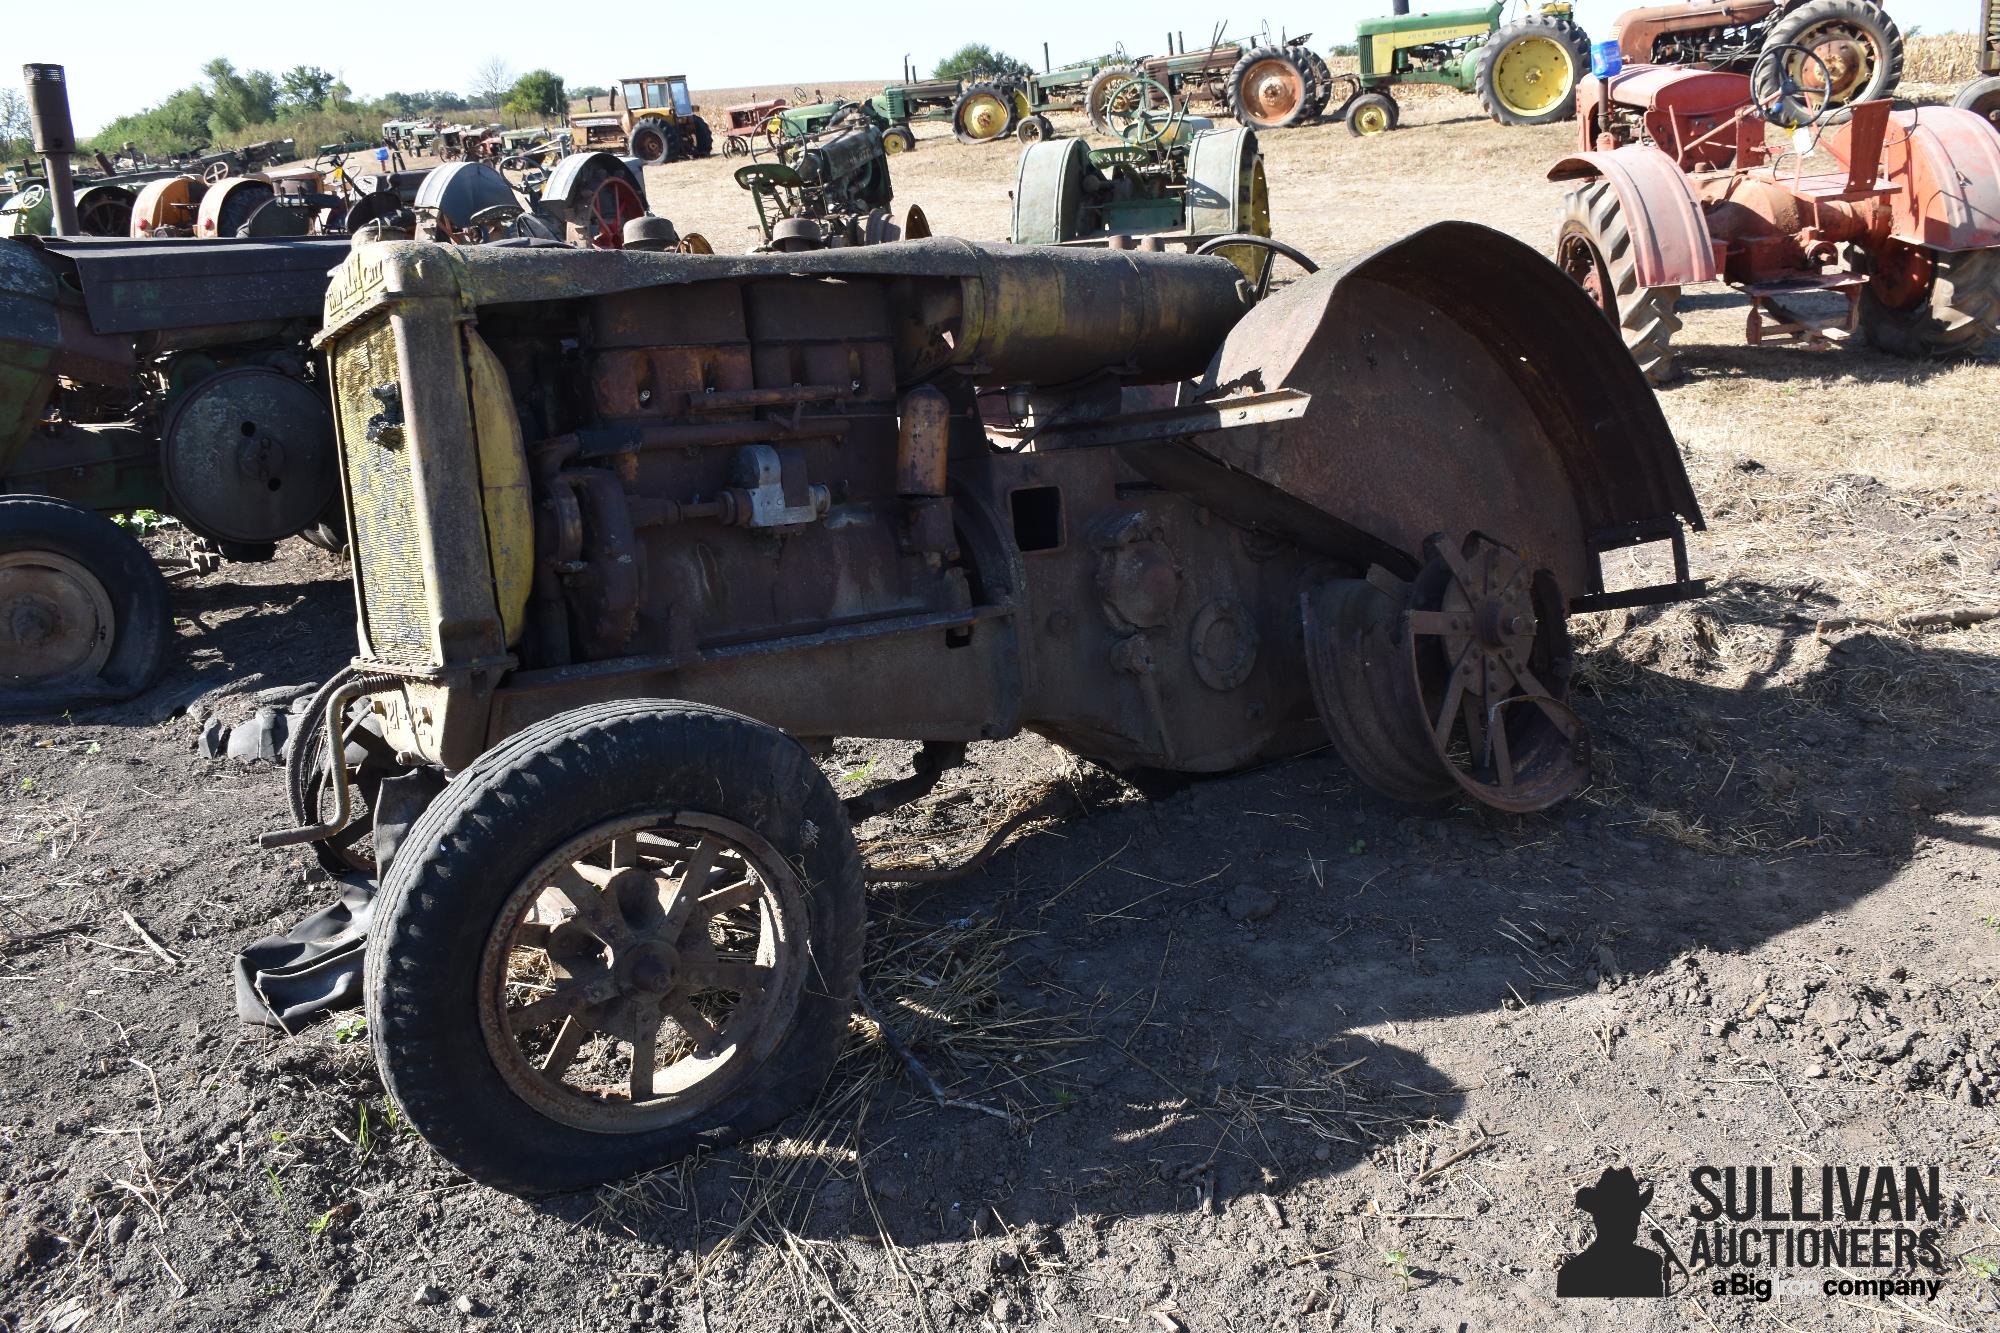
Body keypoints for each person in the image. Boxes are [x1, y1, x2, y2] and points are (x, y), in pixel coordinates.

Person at [1556, 1167, 1669, 1297]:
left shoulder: (1571, 1272)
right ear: (1601, 1220)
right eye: (1629, 1216)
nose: (1637, 1222)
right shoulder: (1649, 1263)